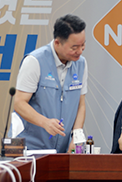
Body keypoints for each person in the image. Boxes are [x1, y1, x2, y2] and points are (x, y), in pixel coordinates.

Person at [14, 14, 87, 153]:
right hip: (30, 148)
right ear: (57, 43)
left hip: (61, 149)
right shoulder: (35, 61)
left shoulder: (81, 64)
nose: (80, 51)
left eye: (83, 45)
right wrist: (45, 122)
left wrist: (77, 136)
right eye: (74, 47)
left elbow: (81, 104)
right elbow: (19, 103)